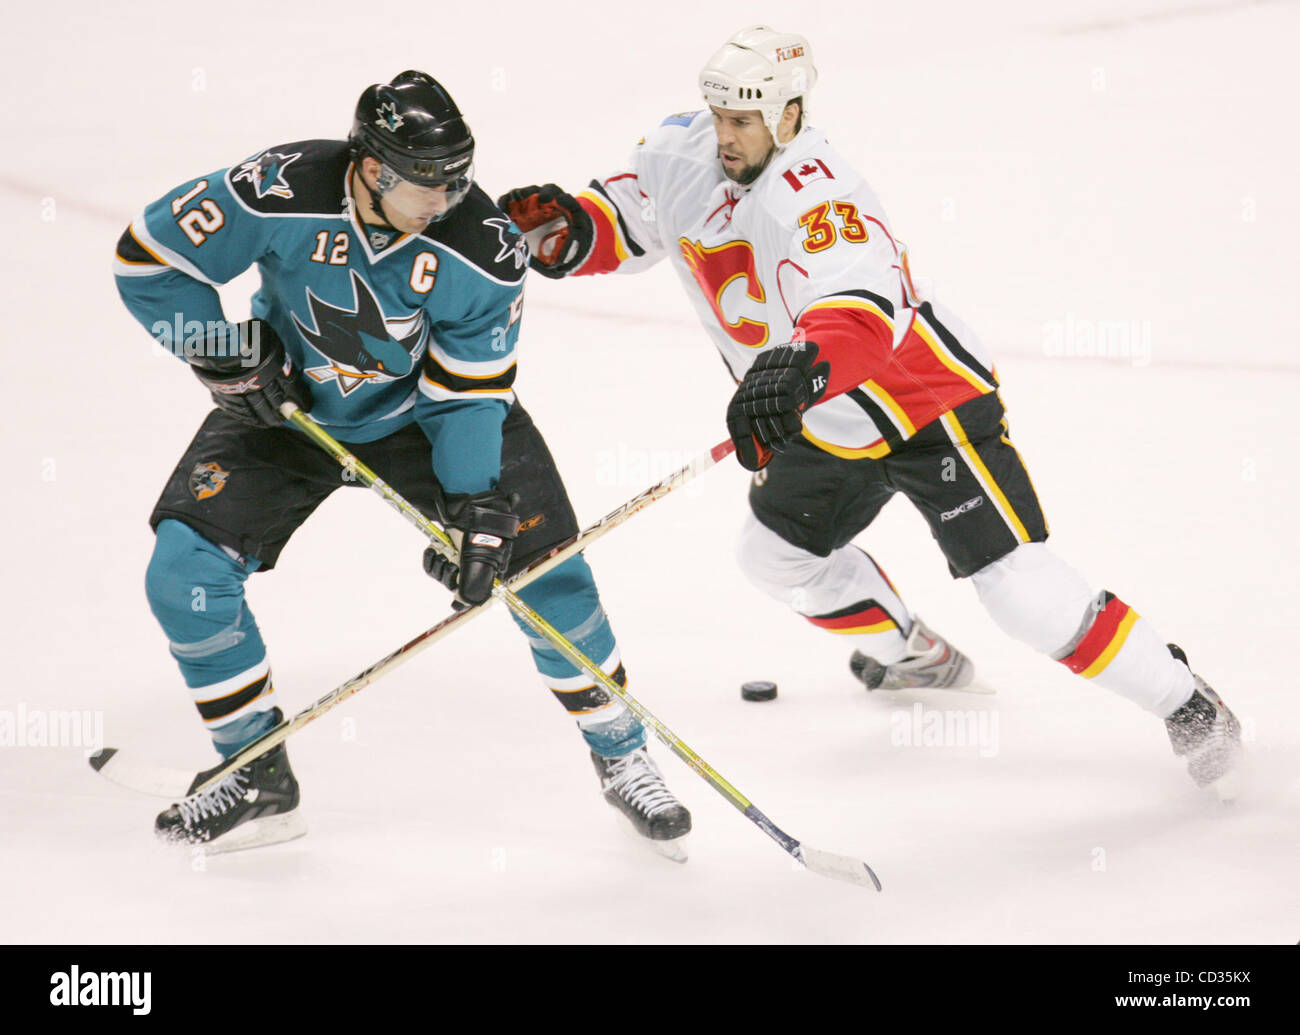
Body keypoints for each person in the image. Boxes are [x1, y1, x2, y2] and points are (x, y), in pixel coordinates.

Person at [499, 27, 1242, 795]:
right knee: (772, 557)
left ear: (789, 114)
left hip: (917, 399)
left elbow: (861, 310)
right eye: (720, 116)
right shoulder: (684, 154)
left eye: (744, 121)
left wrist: (795, 368)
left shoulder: (822, 194)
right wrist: (572, 229)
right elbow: (634, 215)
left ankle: (1188, 702)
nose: (727, 135)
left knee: (1017, 590)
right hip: (816, 415)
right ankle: (913, 652)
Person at [113, 70, 691, 855]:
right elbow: (147, 259)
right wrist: (219, 348)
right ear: (373, 168)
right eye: (432, 184)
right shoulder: (276, 189)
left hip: (427, 415)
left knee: (546, 569)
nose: (451, 199)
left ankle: (623, 755)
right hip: (287, 408)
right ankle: (255, 774)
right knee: (182, 574)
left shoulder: (483, 248)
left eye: (461, 179)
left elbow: (467, 393)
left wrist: (474, 507)